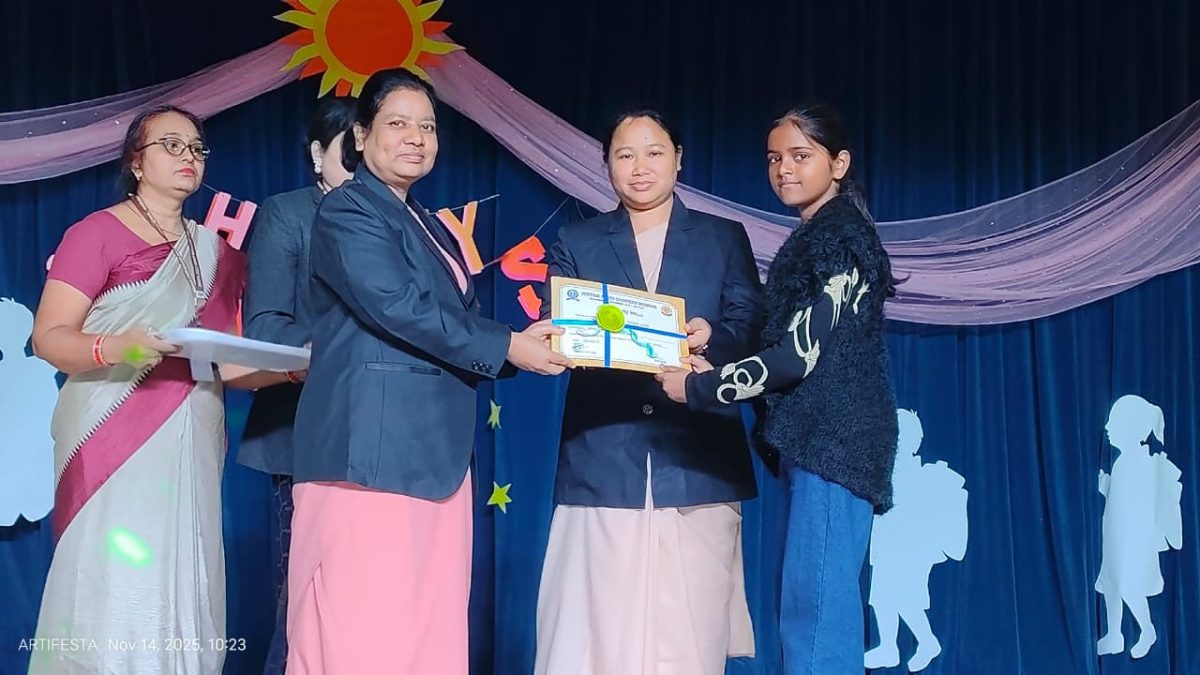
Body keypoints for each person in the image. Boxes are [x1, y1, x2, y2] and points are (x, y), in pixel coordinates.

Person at [286, 68, 571, 675]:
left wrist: (522, 341)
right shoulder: (347, 210)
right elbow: (398, 306)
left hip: (430, 454)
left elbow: (445, 317)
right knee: (366, 630)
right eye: (397, 123)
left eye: (428, 126)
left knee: (425, 629)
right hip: (371, 454)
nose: (416, 138)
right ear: (360, 135)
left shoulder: (425, 220)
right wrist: (509, 346)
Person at [657, 103, 899, 675]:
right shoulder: (817, 234)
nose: (784, 169)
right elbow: (783, 337)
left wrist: (701, 388)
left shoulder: (841, 237)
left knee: (814, 612)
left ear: (839, 163)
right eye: (774, 158)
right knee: (808, 606)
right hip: (820, 442)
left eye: (800, 155)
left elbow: (796, 357)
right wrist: (715, 339)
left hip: (836, 444)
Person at [535, 110, 762, 675]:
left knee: (690, 630)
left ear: (678, 159)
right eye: (625, 154)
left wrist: (713, 337)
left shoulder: (723, 237)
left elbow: (750, 326)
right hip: (604, 456)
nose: (640, 167)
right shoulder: (576, 240)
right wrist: (567, 339)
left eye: (654, 152)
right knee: (596, 630)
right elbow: (561, 324)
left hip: (696, 459)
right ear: (607, 165)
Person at [29, 104, 246, 674]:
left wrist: (300, 366)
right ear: (136, 161)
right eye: (170, 145)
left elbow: (231, 362)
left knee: (187, 568)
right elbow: (49, 337)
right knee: (112, 574)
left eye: (196, 148)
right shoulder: (96, 233)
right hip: (108, 430)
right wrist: (119, 348)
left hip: (193, 429)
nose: (187, 157)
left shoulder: (219, 255)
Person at [237, 95, 358, 675]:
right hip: (305, 433)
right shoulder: (287, 214)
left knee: (365, 605)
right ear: (317, 153)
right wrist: (351, 350)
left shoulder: (411, 220)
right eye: (349, 150)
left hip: (391, 442)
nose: (361, 162)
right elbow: (266, 327)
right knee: (304, 600)